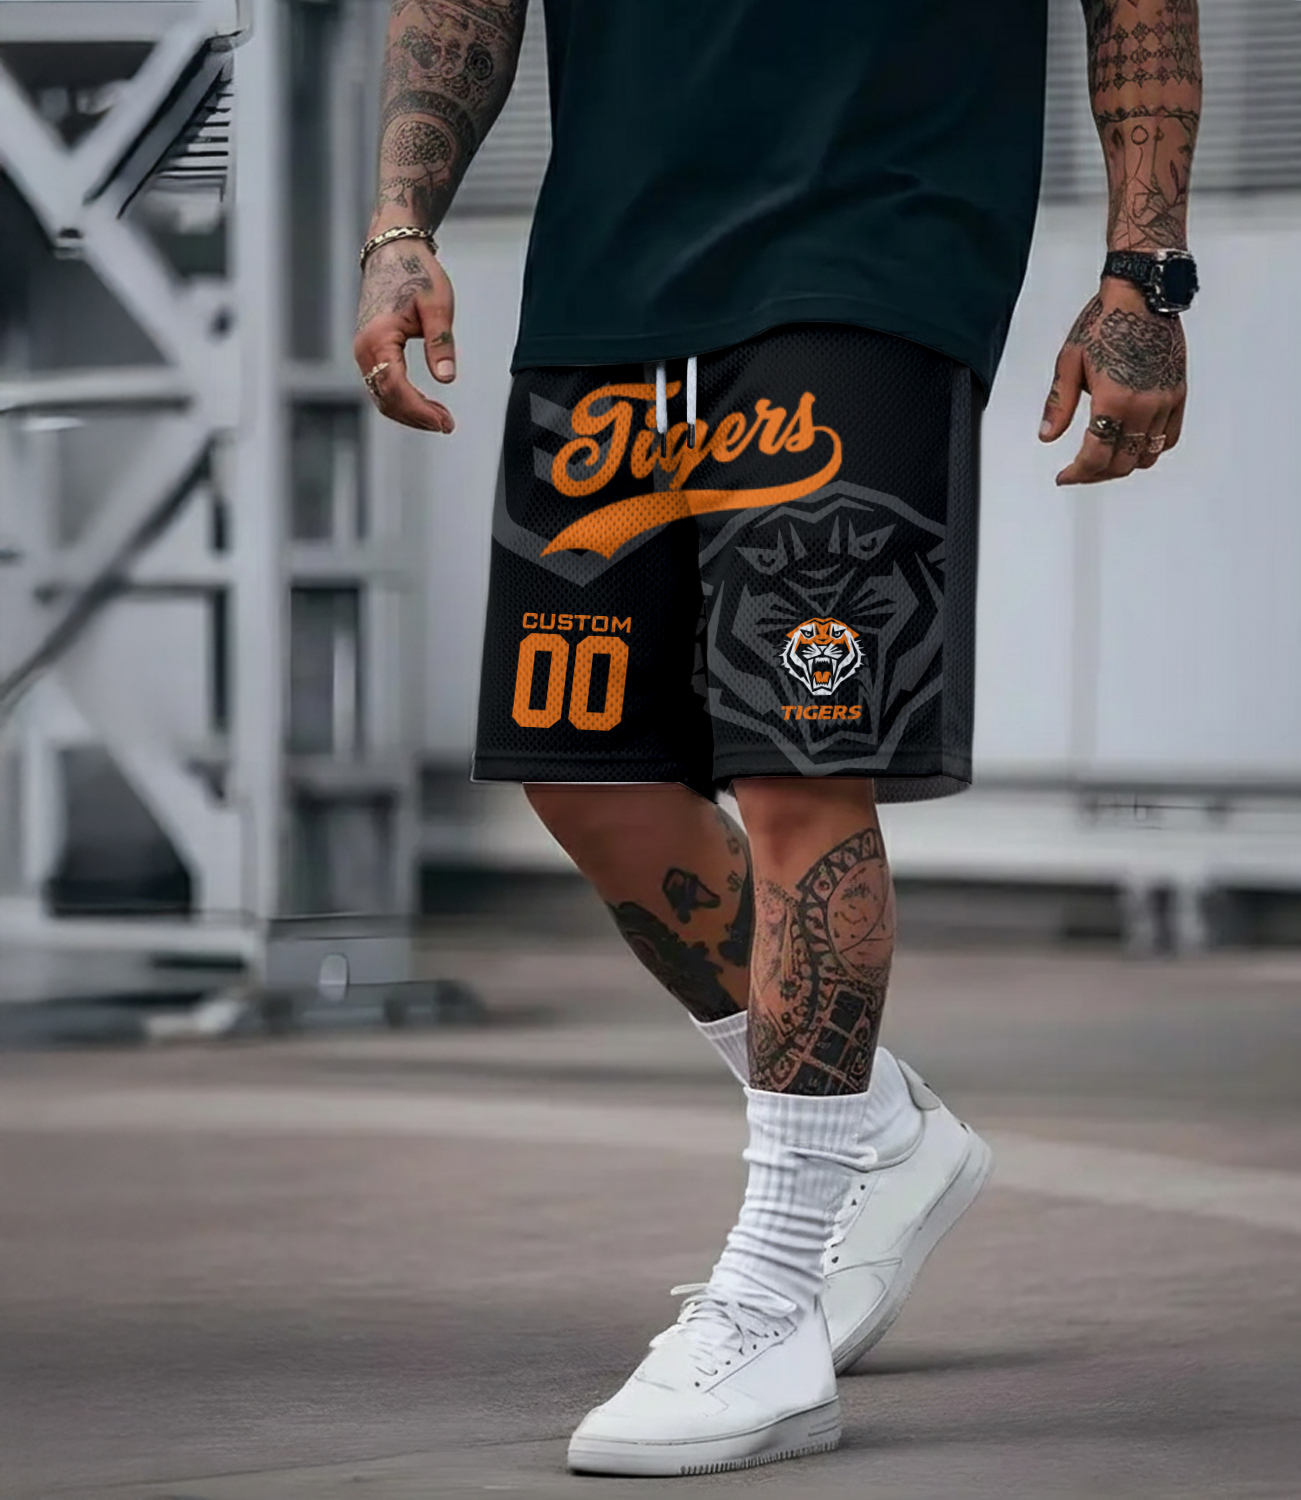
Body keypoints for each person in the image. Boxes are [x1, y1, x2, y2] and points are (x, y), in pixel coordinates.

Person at [354, 0, 1202, 1475]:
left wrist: (1145, 272)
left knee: (796, 767)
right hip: (612, 266)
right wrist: (398, 221)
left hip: (876, 243)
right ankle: (878, 1132)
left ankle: (772, 1302)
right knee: (582, 775)